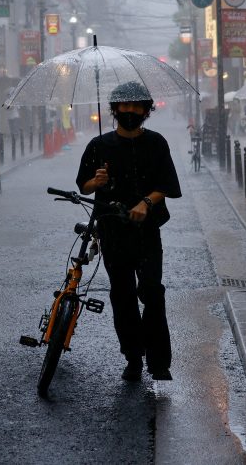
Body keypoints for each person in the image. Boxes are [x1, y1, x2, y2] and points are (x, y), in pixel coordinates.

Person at [75, 81, 182, 382]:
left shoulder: (157, 143)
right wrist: (96, 182)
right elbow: (83, 184)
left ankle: (159, 362)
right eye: (125, 105)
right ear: (115, 109)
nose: (130, 111)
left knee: (152, 291)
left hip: (147, 232)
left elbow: (167, 185)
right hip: (113, 232)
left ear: (147, 110)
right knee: (121, 297)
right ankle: (133, 357)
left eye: (137, 106)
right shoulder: (99, 146)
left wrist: (146, 202)